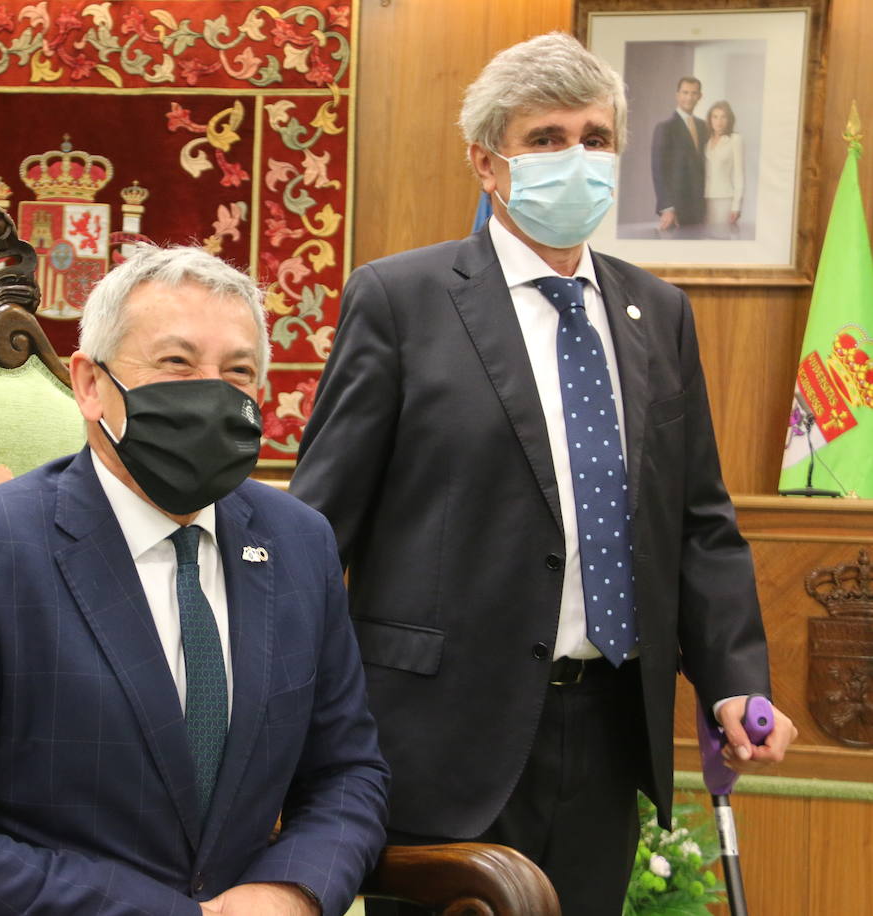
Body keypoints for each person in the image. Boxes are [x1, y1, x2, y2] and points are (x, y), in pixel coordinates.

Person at [288, 32, 795, 916]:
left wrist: (735, 680)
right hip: (440, 737)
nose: (578, 160)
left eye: (596, 139)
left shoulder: (658, 313)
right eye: (547, 139)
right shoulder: (401, 300)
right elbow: (318, 526)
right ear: (489, 165)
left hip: (606, 730)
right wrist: (285, 714)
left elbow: (699, 522)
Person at [0, 245, 389, 916]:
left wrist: (292, 890)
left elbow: (346, 774)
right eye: (176, 363)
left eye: (238, 372)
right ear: (90, 385)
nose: (211, 393)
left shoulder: (300, 542)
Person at [652, 76, 709, 231]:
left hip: (700, 207)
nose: (689, 97)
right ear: (677, 95)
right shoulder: (665, 127)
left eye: (693, 93)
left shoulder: (703, 126)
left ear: (700, 96)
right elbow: (659, 170)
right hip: (677, 208)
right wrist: (668, 208)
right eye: (685, 93)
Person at [703, 100, 745, 235]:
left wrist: (736, 206)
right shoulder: (706, 140)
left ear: (729, 119)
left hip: (724, 200)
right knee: (704, 242)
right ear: (710, 119)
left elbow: (739, 175)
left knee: (720, 238)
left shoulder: (734, 139)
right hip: (704, 199)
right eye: (715, 117)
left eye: (723, 117)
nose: (719, 121)